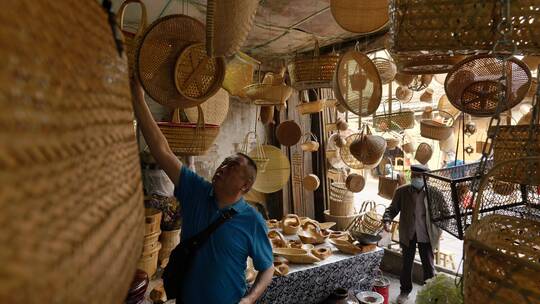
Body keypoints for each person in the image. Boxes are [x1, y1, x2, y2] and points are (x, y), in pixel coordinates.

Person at [130, 76, 274, 304]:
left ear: (245, 185)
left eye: (232, 166)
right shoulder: (196, 191)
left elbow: (267, 268)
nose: (222, 167)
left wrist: (249, 299)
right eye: (224, 162)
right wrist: (138, 99)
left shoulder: (252, 221)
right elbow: (162, 151)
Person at [382, 164, 442, 304]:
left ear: (427, 178)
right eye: (414, 176)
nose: (416, 179)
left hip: (426, 234)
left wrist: (438, 230)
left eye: (420, 177)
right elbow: (392, 209)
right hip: (408, 232)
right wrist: (387, 220)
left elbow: (445, 213)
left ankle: (430, 293)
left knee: (428, 266)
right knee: (406, 264)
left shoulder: (434, 193)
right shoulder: (402, 192)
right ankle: (404, 291)